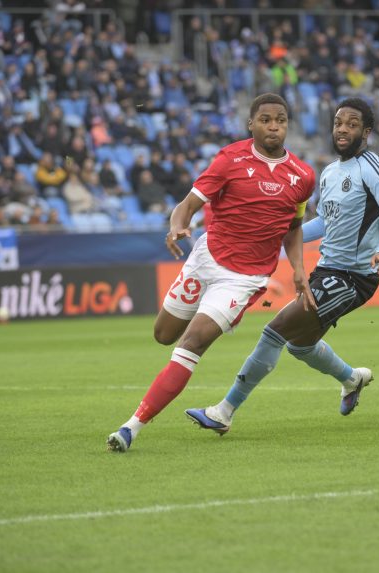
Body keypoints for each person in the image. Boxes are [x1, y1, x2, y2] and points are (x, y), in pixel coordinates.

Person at [184, 97, 379, 435]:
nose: (342, 130)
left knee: (275, 330)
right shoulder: (330, 173)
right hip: (327, 270)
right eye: (338, 123)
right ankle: (352, 378)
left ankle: (224, 412)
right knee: (300, 345)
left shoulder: (373, 168)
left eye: (352, 125)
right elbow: (324, 223)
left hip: (354, 278)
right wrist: (277, 234)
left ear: (366, 132)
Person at [106, 93, 316, 452]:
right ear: (251, 124)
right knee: (163, 334)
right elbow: (187, 205)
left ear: (287, 125)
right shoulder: (228, 159)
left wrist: (298, 269)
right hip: (206, 259)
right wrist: (177, 226)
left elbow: (293, 227)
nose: (273, 126)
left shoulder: (303, 176)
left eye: (280, 120)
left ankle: (131, 427)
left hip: (244, 279)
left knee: (192, 343)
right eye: (265, 119)